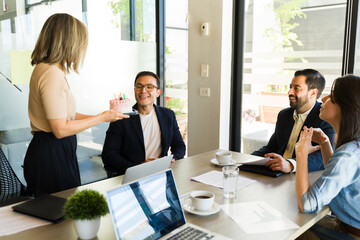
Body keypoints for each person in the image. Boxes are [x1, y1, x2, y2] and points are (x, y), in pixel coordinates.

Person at [24, 13, 129, 196]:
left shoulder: (46, 69)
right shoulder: (52, 74)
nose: (82, 49)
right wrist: (101, 117)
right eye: (81, 43)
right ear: (68, 41)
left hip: (52, 151)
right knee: (60, 215)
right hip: (52, 154)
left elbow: (64, 115)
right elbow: (60, 129)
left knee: (59, 213)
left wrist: (104, 116)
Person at [295, 75, 360, 239]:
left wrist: (301, 153)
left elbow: (306, 204)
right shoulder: (354, 148)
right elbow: (339, 178)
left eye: (332, 96)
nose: (323, 98)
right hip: (346, 225)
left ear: (346, 108)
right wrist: (325, 145)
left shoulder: (349, 154)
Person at [102, 71, 186, 176]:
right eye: (139, 86)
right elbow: (109, 155)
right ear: (134, 90)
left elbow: (179, 146)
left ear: (158, 92)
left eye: (149, 87)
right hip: (131, 175)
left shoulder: (168, 115)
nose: (143, 91)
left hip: (160, 172)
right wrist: (139, 166)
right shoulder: (121, 118)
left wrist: (172, 159)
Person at [252, 69, 335, 173]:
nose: (290, 92)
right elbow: (271, 148)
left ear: (313, 93)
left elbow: (323, 157)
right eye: (291, 87)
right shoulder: (284, 115)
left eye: (296, 88)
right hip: (277, 174)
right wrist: (249, 159)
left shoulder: (325, 117)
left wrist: (291, 165)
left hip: (303, 176)